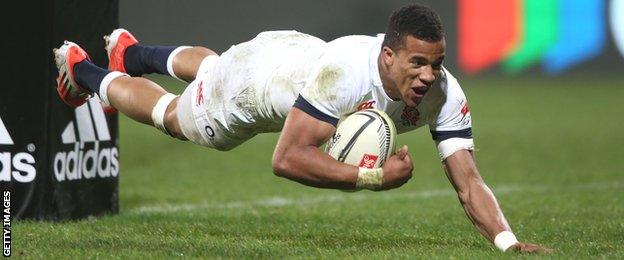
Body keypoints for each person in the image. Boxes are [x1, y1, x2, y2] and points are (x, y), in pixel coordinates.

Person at [53, 4, 551, 253]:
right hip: (253, 90)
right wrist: (374, 178)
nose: (428, 76)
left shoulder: (445, 93)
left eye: (436, 64)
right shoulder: (346, 74)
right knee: (176, 117)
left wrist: (506, 242)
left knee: (214, 67)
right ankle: (84, 72)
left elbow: (468, 180)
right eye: (416, 63)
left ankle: (133, 53)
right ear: (388, 55)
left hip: (290, 54)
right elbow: (286, 159)